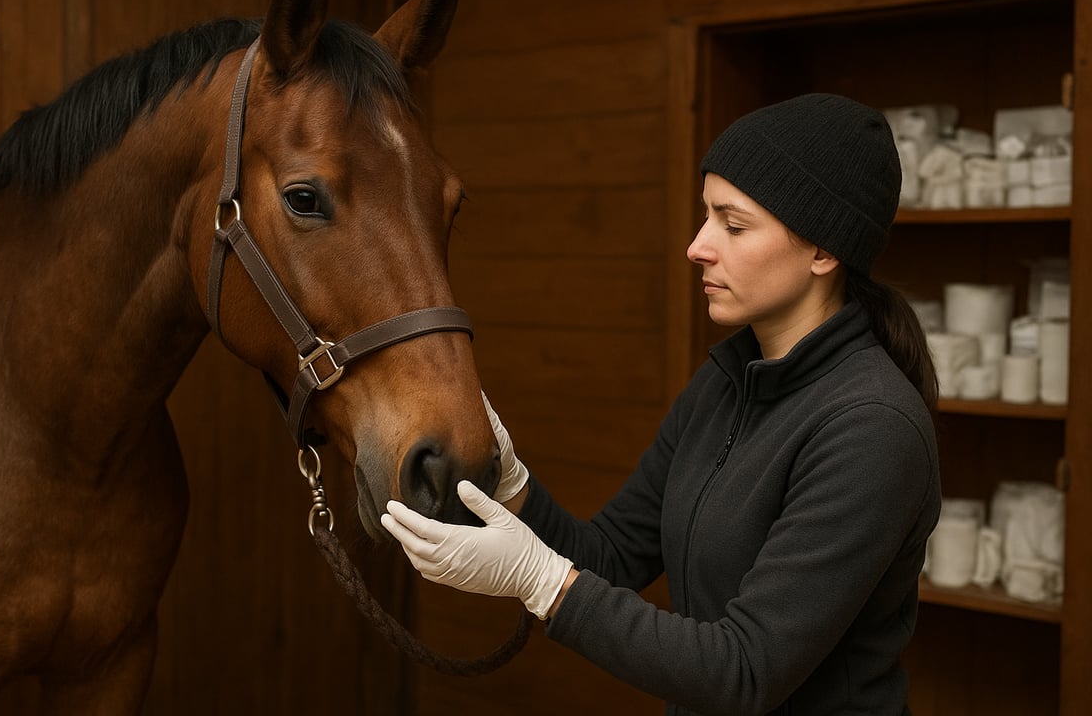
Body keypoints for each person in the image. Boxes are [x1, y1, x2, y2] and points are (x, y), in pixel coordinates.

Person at [383, 93, 942, 715]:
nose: (698, 246)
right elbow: (611, 556)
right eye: (706, 216)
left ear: (823, 251)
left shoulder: (872, 427)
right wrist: (513, 488)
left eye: (733, 225)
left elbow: (744, 671)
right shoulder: (724, 383)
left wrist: (541, 580)